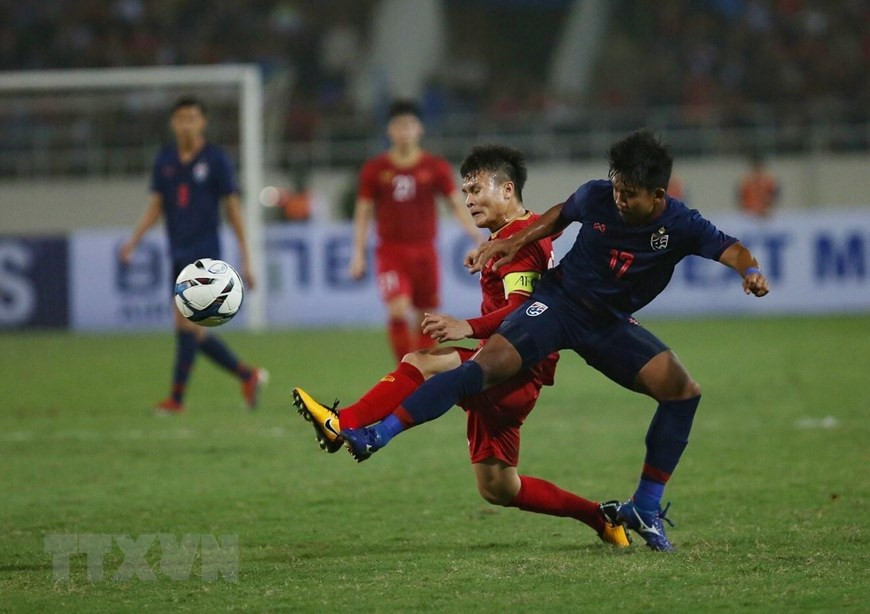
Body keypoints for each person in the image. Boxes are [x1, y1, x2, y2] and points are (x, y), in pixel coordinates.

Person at [341, 130, 770, 552]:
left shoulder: (681, 224)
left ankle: (645, 506)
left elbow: (731, 249)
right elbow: (559, 215)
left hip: (608, 325)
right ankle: (378, 435)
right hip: (558, 304)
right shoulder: (598, 195)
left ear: (658, 195)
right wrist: (512, 243)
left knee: (682, 392)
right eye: (617, 188)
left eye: (630, 194)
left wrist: (748, 272)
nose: (619, 199)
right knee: (482, 370)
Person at [294, 144, 630, 547]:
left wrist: (464, 325)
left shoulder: (520, 246)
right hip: (510, 367)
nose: (468, 200)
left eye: (476, 190)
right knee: (498, 487)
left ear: (507, 190)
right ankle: (601, 517)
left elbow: (518, 315)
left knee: (424, 361)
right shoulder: (520, 231)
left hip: (515, 369)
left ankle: (343, 423)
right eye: (465, 192)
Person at [120, 96, 267, 414]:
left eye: (193, 118)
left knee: (188, 326)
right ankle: (247, 375)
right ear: (173, 123)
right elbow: (156, 207)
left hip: (205, 256)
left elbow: (233, 210)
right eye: (181, 118)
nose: (187, 123)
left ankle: (176, 399)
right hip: (177, 251)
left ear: (203, 122)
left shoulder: (216, 159)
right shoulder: (165, 160)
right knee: (192, 331)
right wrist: (133, 241)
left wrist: (247, 257)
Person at [350, 99, 482, 362]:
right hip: (391, 251)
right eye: (399, 126)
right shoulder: (375, 169)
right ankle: (405, 368)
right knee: (398, 309)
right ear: (389, 130)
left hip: (425, 251)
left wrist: (477, 236)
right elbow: (364, 211)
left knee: (426, 316)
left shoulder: (435, 167)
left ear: (420, 129)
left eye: (409, 125)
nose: (404, 131)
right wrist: (358, 254)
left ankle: (420, 371)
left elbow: (456, 203)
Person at [737, 153, 780, 217]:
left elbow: (774, 196)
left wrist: (768, 207)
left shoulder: (769, 181)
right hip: (749, 213)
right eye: (755, 168)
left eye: (759, 167)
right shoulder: (746, 182)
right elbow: (740, 197)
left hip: (765, 213)